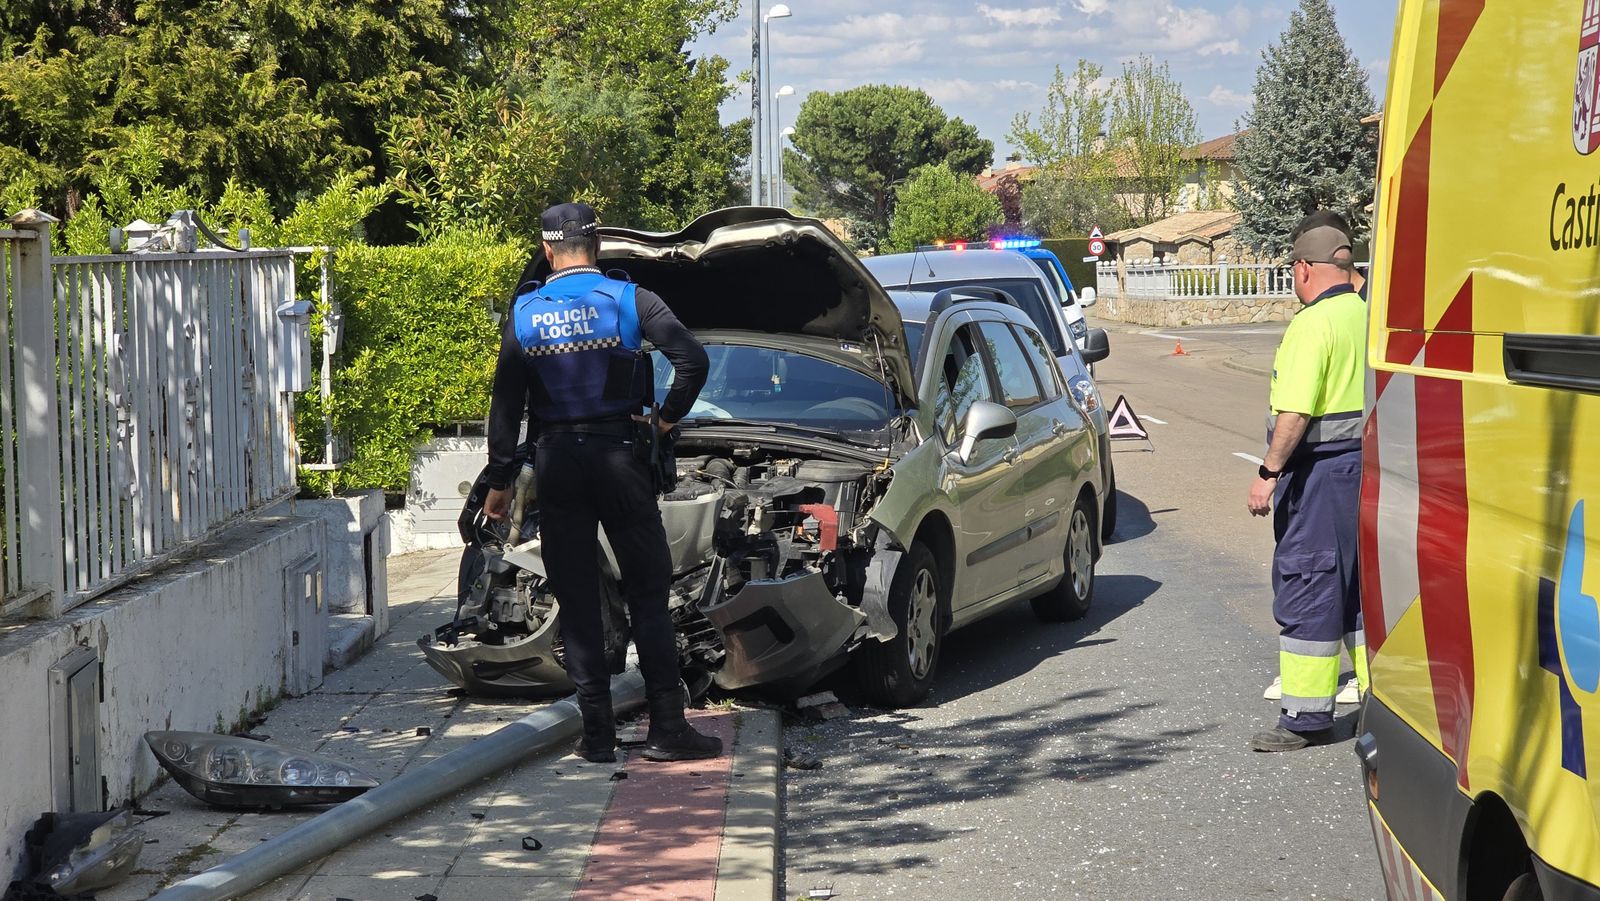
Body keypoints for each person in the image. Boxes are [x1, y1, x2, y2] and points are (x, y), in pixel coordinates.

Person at [485, 201, 721, 763]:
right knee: (647, 590)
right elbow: (692, 360)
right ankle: (667, 727)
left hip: (557, 462)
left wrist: (500, 479)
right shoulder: (629, 299)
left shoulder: (524, 312)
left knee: (577, 595)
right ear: (598, 247)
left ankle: (597, 737)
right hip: (621, 457)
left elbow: (506, 404)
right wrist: (664, 419)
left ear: (547, 250)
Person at [1246, 216, 1369, 753]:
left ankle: (1305, 719)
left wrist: (1268, 474)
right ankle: (1379, 703)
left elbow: (1294, 414)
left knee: (1311, 584)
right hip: (1366, 469)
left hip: (1319, 474)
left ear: (1302, 270)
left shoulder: (1312, 325)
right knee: (1360, 592)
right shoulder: (1365, 314)